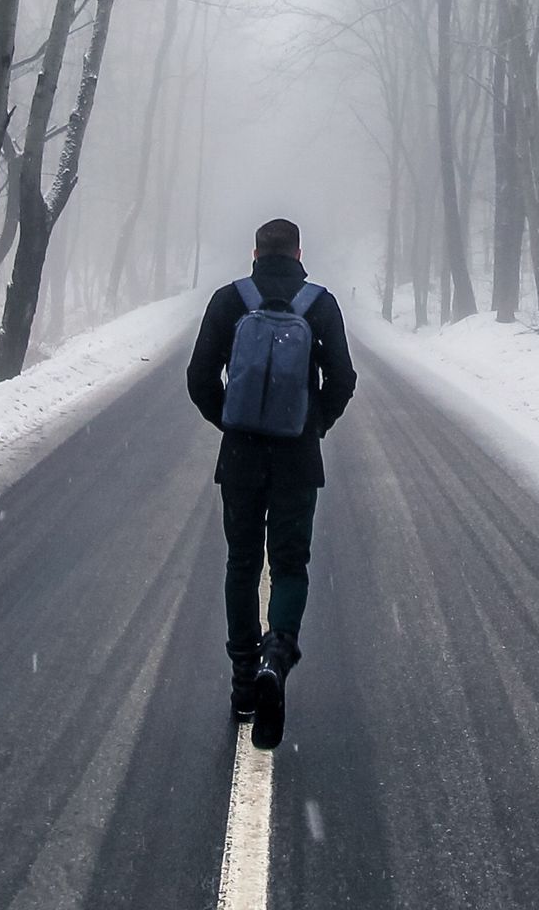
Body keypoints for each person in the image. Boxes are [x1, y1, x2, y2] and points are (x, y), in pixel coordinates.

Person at [187, 218, 356, 750]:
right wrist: (313, 425)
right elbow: (343, 379)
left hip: (240, 459)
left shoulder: (228, 300)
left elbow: (198, 378)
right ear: (300, 252)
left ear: (255, 252)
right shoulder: (320, 304)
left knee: (241, 564)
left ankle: (242, 683)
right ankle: (275, 660)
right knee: (289, 565)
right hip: (296, 460)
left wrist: (231, 423)